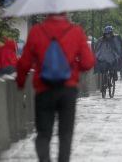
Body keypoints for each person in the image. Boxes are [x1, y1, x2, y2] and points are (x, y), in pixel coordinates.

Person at [16, 13, 95, 162]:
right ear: (65, 12)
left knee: (43, 133)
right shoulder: (76, 31)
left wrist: (20, 83)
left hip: (43, 90)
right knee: (65, 134)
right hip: (68, 90)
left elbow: (24, 63)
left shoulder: (36, 31)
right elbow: (88, 62)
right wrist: (72, 68)